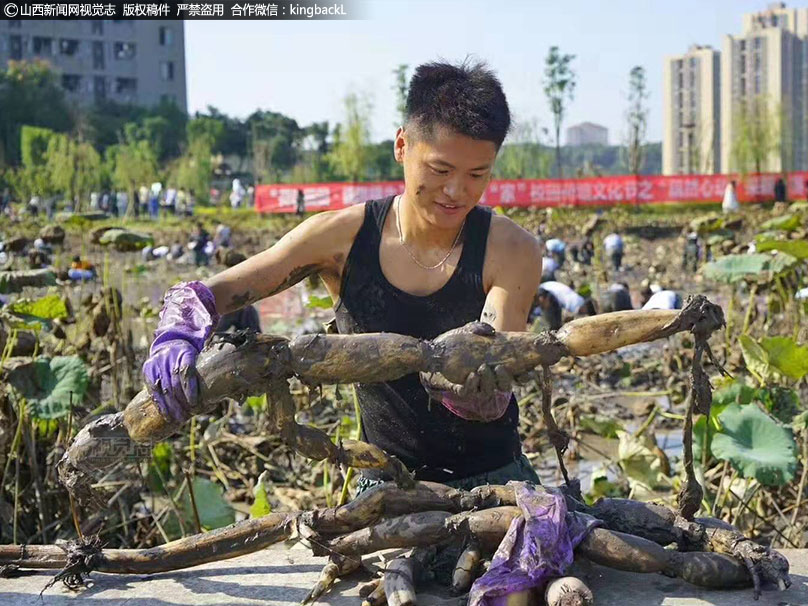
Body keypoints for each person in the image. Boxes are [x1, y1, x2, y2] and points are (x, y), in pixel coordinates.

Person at [142, 60, 543, 493]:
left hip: (497, 483)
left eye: (477, 175)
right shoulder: (341, 239)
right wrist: (180, 330)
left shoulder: (511, 249)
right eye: (441, 170)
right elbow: (215, 292)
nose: (456, 191)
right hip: (386, 487)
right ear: (402, 146)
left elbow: (499, 349)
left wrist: (483, 384)